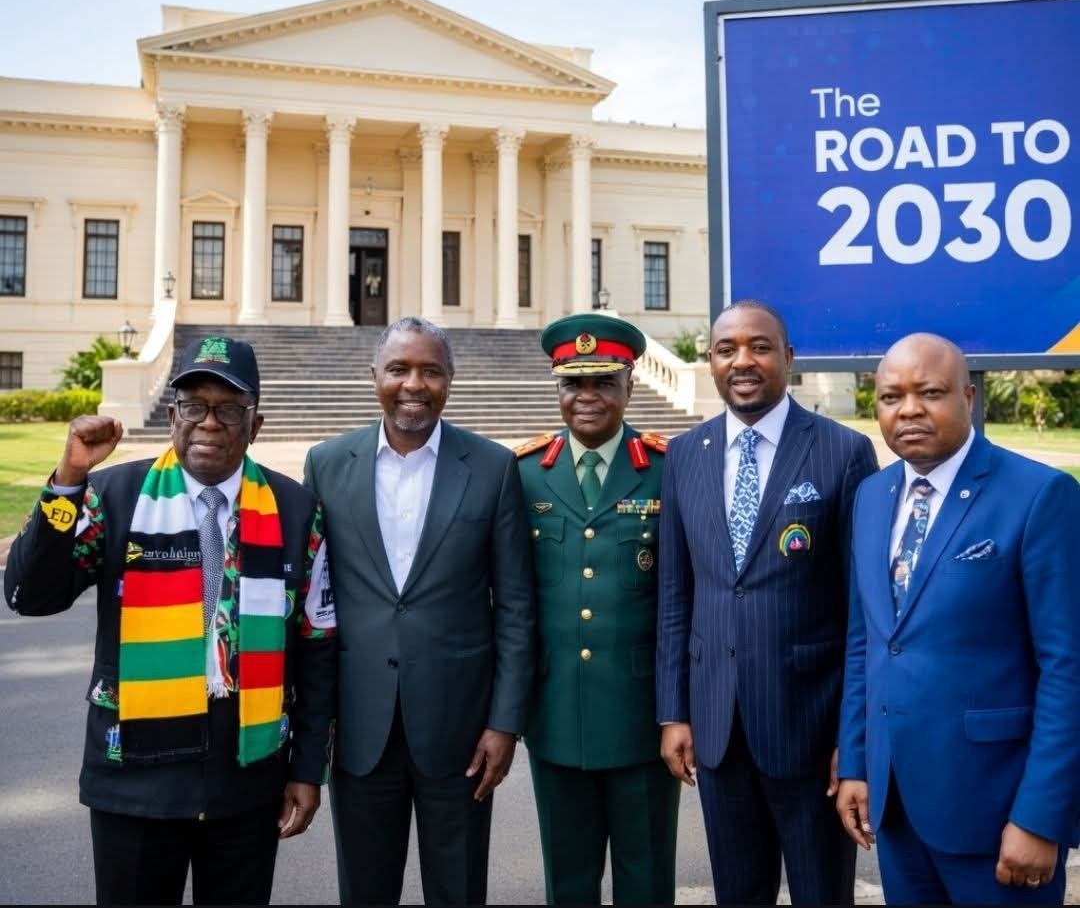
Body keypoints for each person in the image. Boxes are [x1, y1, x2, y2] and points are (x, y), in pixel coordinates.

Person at [4, 334, 336, 906]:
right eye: (192, 406)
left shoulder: (295, 510)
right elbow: (29, 594)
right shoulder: (112, 495)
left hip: (246, 781)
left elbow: (318, 646)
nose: (208, 422)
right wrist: (67, 479)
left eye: (229, 409)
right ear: (172, 416)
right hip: (133, 780)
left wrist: (307, 769)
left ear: (254, 425)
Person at [836, 332, 1080, 905]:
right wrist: (856, 761)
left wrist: (1042, 818)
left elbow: (1068, 669)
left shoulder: (1040, 495)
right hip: (896, 811)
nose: (909, 409)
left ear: (968, 396)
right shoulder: (871, 497)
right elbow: (865, 643)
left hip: (996, 816)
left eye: (930, 392)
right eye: (891, 396)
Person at [302, 315, 535, 906]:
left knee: (457, 891)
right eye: (400, 369)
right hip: (359, 728)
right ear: (373, 375)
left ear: (450, 380)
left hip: (459, 732)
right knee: (365, 890)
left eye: (431, 371)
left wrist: (504, 723)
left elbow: (514, 607)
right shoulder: (327, 465)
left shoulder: (491, 467)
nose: (414, 384)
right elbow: (313, 607)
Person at [655, 299, 879, 905]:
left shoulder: (842, 451)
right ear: (711, 361)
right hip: (717, 728)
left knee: (820, 893)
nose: (743, 361)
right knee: (738, 892)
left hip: (809, 726)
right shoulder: (684, 456)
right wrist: (674, 711)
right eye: (727, 349)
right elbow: (677, 595)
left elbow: (862, 609)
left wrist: (850, 736)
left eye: (759, 347)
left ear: (788, 357)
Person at [515, 313, 681, 904]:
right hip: (556, 713)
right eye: (572, 383)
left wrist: (675, 712)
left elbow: (678, 604)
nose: (587, 397)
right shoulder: (525, 474)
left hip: (642, 720)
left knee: (646, 878)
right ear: (557, 388)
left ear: (630, 385)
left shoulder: (668, 468)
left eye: (603, 382)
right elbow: (513, 605)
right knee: (569, 879)